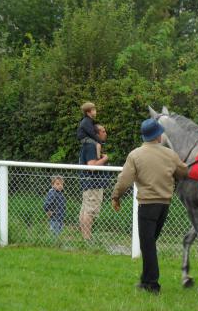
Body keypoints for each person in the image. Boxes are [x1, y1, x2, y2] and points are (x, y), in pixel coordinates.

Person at [111, 118, 188, 294]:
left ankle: (152, 284)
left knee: (147, 244)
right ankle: (146, 280)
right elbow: (184, 171)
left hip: (147, 204)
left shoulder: (135, 155)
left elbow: (124, 180)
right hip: (164, 205)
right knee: (149, 243)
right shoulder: (170, 154)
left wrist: (116, 196)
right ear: (158, 135)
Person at [79, 124, 109, 240]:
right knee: (90, 211)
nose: (105, 133)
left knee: (85, 209)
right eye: (102, 131)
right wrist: (104, 159)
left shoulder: (89, 145)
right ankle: (87, 239)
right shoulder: (91, 146)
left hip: (89, 183)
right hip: (93, 184)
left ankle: (85, 237)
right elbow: (92, 167)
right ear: (96, 134)